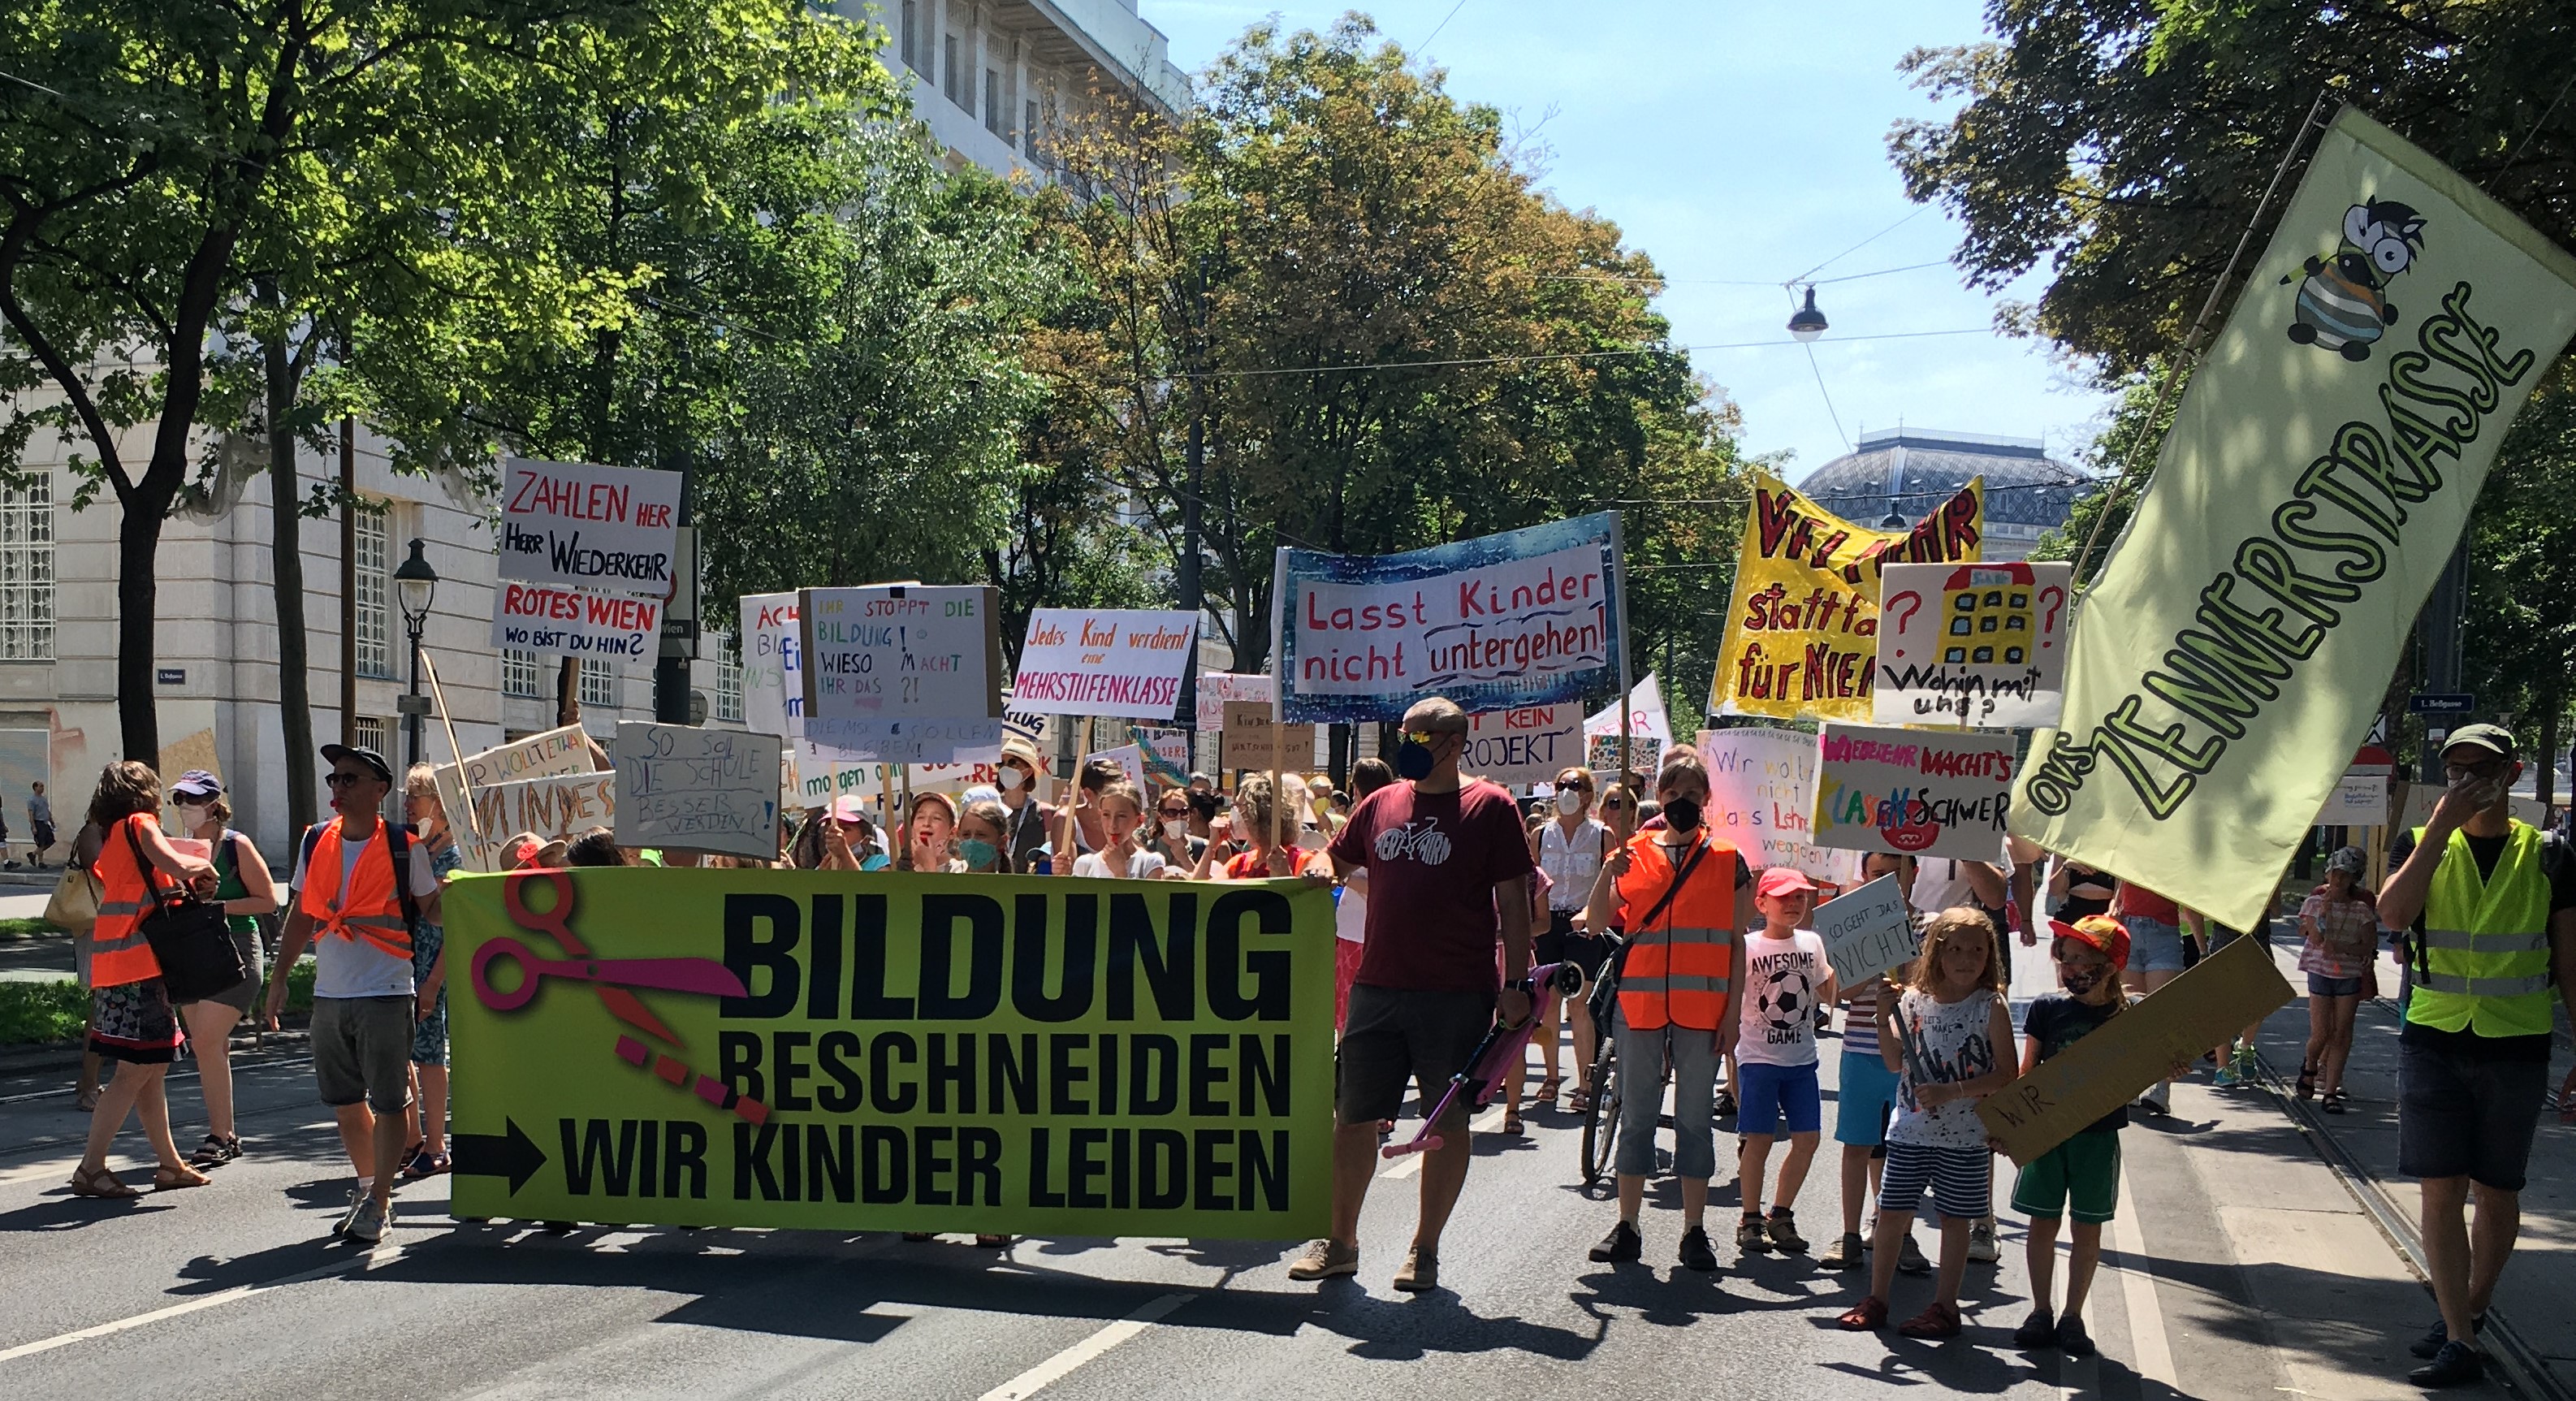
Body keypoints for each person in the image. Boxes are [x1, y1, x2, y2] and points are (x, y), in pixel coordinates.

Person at [1289, 697, 1537, 1293]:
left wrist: (1517, 983)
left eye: (1419, 736)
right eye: (1404, 733)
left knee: (1446, 1124)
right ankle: (1340, 1240)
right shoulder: (1380, 802)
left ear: (1452, 742)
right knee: (1351, 1118)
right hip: (1377, 987)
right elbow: (1338, 852)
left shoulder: (1492, 807)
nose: (1407, 744)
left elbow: (1513, 900)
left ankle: (1424, 1249)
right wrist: (1322, 864)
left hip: (1455, 993)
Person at [2375, 724, 2576, 1387]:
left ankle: (2473, 1307)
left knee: (2498, 1191)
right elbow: (2395, 915)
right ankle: (2458, 1335)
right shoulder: (2423, 843)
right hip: (2433, 1037)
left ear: (2512, 773)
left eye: (2480, 768)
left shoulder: (2548, 855)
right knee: (2441, 1190)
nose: (2466, 780)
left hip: (2516, 1045)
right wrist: (2437, 828)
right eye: (2455, 768)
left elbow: (2570, 962)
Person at [1580, 750, 1753, 1274]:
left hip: (1703, 1011)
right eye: (1674, 794)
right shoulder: (1632, 852)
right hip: (1641, 1005)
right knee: (1635, 1119)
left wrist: (1731, 1015)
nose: (1682, 803)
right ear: (1660, 796)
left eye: (1693, 796)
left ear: (1706, 801)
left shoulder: (1728, 859)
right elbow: (1593, 924)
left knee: (1694, 1122)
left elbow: (1736, 944)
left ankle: (1694, 1230)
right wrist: (1608, 870)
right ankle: (1627, 1225)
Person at [263, 743, 442, 1243]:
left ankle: (381, 1201)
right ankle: (368, 1188)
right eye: (334, 779)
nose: (338, 788)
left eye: (349, 779)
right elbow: (302, 914)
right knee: (344, 1102)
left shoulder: (406, 847)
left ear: (379, 790)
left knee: (388, 1103)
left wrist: (475, 888)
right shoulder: (316, 840)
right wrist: (278, 981)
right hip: (330, 994)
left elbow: (434, 912)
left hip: (386, 990)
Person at [1837, 907, 2013, 1338]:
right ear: (1936, 951)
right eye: (1954, 948)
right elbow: (1895, 1059)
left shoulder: (1990, 1006)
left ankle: (1945, 1306)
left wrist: (1953, 1092)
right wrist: (1883, 1015)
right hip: (1910, 1132)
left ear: (1990, 955)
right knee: (1892, 1214)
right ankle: (1877, 1299)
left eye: (1976, 950)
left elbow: (2007, 1074)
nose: (1966, 958)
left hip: (1966, 1138)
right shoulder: (1913, 1001)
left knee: (1955, 1221)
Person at [68, 761, 218, 1198]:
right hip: (141, 966)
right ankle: (91, 1168)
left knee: (150, 1069)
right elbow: (169, 860)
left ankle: (170, 1164)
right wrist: (202, 869)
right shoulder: (140, 823)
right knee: (134, 1071)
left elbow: (142, 885)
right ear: (145, 793)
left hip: (119, 964)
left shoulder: (114, 836)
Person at [2010, 915, 2137, 1360]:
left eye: (2082, 957)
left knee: (2088, 1227)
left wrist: (2167, 1068)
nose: (2070, 966)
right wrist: (2013, 1125)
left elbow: (2136, 1077)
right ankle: (2041, 1310)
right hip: (2050, 1132)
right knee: (2042, 1222)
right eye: (2065, 955)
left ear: (2109, 965)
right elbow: (2028, 1073)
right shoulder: (2047, 1008)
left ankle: (2073, 1316)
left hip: (2098, 1136)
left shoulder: (2128, 1016)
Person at [168, 772, 280, 1168]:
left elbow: (267, 901)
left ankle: (220, 1134)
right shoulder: (176, 847)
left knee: (205, 1041)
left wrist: (217, 907)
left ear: (214, 804)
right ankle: (226, 1133)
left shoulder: (236, 845)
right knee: (208, 1047)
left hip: (236, 951)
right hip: (191, 952)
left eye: (192, 799)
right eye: (179, 798)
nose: (184, 806)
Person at [1735, 867, 1836, 1257]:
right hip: (1758, 1059)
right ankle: (1750, 1217)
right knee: (1757, 1140)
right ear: (1761, 903)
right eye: (1783, 898)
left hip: (1801, 1060)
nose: (1793, 904)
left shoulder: (1813, 942)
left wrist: (1844, 964)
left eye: (1800, 897)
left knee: (1807, 1140)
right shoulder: (1746, 946)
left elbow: (1829, 993)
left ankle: (1780, 1213)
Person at [398, 764, 464, 1178]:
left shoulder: (456, 854)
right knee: (411, 1050)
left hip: (436, 965)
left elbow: (452, 925)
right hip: (410, 960)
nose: (407, 804)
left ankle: (437, 1145)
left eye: (415, 796)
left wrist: (434, 979)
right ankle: (412, 1137)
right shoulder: (418, 847)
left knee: (430, 1054)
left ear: (439, 804)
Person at [1531, 766, 1610, 1110]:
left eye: (1574, 785)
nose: (1566, 791)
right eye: (1561, 785)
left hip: (1583, 925)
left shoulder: (1602, 834)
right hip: (1547, 924)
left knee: (1579, 1003)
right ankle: (1551, 1077)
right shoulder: (1539, 834)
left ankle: (1585, 1083)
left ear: (1588, 795)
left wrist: (1594, 917)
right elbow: (1530, 882)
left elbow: (1612, 884)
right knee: (1546, 1002)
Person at [2296, 845, 2378, 1111]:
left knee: (2342, 1033)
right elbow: (2315, 938)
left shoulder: (2361, 910)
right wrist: (2324, 912)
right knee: (2321, 1033)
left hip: (2348, 974)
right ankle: (2310, 1064)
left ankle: (2331, 1091)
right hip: (2320, 972)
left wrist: (2343, 949)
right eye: (2334, 874)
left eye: (2345, 876)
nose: (2338, 880)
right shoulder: (2314, 903)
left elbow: (2368, 946)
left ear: (2354, 878)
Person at [2114, 880, 2193, 1115]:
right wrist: (2114, 910)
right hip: (2130, 929)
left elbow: (2190, 898)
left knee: (2162, 1014)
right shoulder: (2129, 849)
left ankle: (2162, 1088)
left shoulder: (2174, 854)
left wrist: (2202, 947)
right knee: (2133, 1015)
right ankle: (2133, 1085)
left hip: (2164, 933)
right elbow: (2119, 887)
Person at [1329, 759, 1397, 1030]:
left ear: (1356, 788)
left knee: (1357, 1014)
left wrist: (1340, 873)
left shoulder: (1380, 822)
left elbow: (1378, 883)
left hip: (1366, 933)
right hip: (1354, 931)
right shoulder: (1362, 820)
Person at [1070, 780, 1175, 879]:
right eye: (1106, 815)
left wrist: (1120, 874)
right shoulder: (1085, 865)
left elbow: (1150, 898)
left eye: (1121, 816)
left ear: (1139, 821)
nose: (1113, 825)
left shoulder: (1150, 863)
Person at [994, 738, 1054, 872]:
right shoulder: (992, 811)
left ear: (1028, 771)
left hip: (1031, 888)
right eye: (1001, 764)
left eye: (1013, 763)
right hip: (996, 886)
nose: (1005, 768)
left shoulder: (1047, 813)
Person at [953, 798, 1014, 874]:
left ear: (1002, 841)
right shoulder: (949, 883)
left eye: (980, 835)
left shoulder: (1011, 885)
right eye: (966, 835)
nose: (971, 842)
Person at [903, 790, 959, 871]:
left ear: (952, 832)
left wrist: (929, 864)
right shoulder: (900, 869)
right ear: (912, 829)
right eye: (920, 817)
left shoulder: (962, 869)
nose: (926, 823)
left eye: (937, 818)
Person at [2047, 858, 2118, 921]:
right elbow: (2054, 890)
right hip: (2071, 913)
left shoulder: (2116, 853)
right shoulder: (2070, 848)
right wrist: (2066, 866)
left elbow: (2117, 895)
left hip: (2102, 917)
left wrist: (2110, 913)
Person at [29, 779, 55, 868]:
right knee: (41, 843)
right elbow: (31, 814)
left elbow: (47, 811)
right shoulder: (32, 800)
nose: (42, 788)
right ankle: (41, 862)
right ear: (35, 788)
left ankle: (33, 854)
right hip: (38, 823)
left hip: (45, 823)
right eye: (41, 786)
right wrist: (34, 827)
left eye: (43, 786)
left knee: (50, 841)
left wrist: (52, 822)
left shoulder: (43, 799)